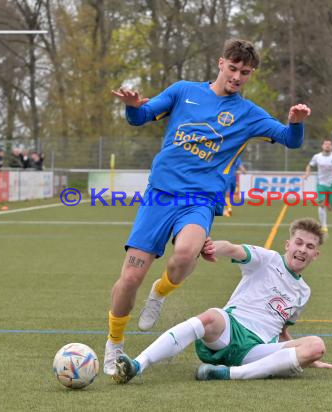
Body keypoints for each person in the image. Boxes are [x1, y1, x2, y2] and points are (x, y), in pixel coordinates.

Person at [105, 38, 312, 375]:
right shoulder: (183, 90)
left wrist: (296, 121)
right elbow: (141, 116)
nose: (237, 76)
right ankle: (114, 344)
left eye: (245, 72)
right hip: (159, 195)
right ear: (220, 63)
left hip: (199, 200)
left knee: (185, 254)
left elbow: (291, 140)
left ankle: (159, 293)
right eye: (233, 68)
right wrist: (131, 105)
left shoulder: (248, 114)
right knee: (129, 278)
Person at [112, 218, 332, 383]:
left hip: (258, 350)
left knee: (316, 345)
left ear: (315, 254)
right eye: (299, 243)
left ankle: (225, 374)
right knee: (211, 316)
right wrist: (213, 248)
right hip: (228, 331)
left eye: (310, 247)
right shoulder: (268, 259)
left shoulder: (303, 291)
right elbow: (233, 249)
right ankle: (137, 364)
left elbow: (282, 329)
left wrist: (304, 355)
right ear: (287, 245)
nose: (302, 250)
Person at [302, 138, 332, 235]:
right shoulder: (317, 157)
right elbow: (309, 165)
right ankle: (323, 226)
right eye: (326, 144)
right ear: (322, 146)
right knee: (322, 204)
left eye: (329, 144)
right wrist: (307, 174)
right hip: (321, 184)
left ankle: (325, 219)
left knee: (330, 208)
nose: (327, 145)